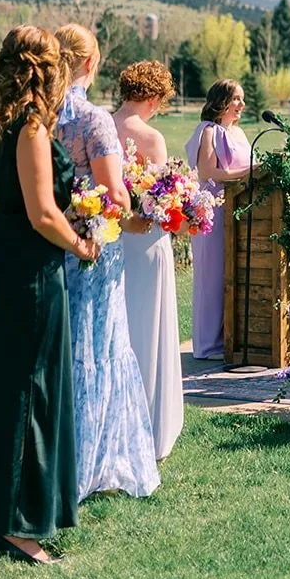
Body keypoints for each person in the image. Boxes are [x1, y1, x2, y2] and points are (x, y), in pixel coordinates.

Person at [0, 26, 97, 565]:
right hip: (28, 272)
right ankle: (18, 524)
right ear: (48, 72)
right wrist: (81, 243)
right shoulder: (31, 129)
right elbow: (42, 213)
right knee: (30, 389)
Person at [54, 25, 159, 500]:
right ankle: (92, 462)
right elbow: (114, 194)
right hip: (94, 250)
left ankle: (50, 456)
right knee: (98, 347)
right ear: (91, 65)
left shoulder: (41, 113)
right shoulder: (92, 119)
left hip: (50, 246)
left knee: (61, 350)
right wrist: (138, 219)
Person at [114, 60, 184, 459]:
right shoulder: (151, 137)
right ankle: (151, 425)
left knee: (119, 324)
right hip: (146, 240)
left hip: (112, 240)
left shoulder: (103, 125)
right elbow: (161, 200)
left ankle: (116, 420)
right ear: (154, 98)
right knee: (150, 327)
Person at [184, 79, 252, 360]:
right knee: (211, 276)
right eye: (235, 98)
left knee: (231, 276)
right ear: (220, 101)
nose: (241, 104)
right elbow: (207, 172)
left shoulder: (239, 133)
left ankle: (229, 339)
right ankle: (206, 345)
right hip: (211, 211)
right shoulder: (208, 131)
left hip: (237, 211)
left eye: (242, 99)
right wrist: (247, 173)